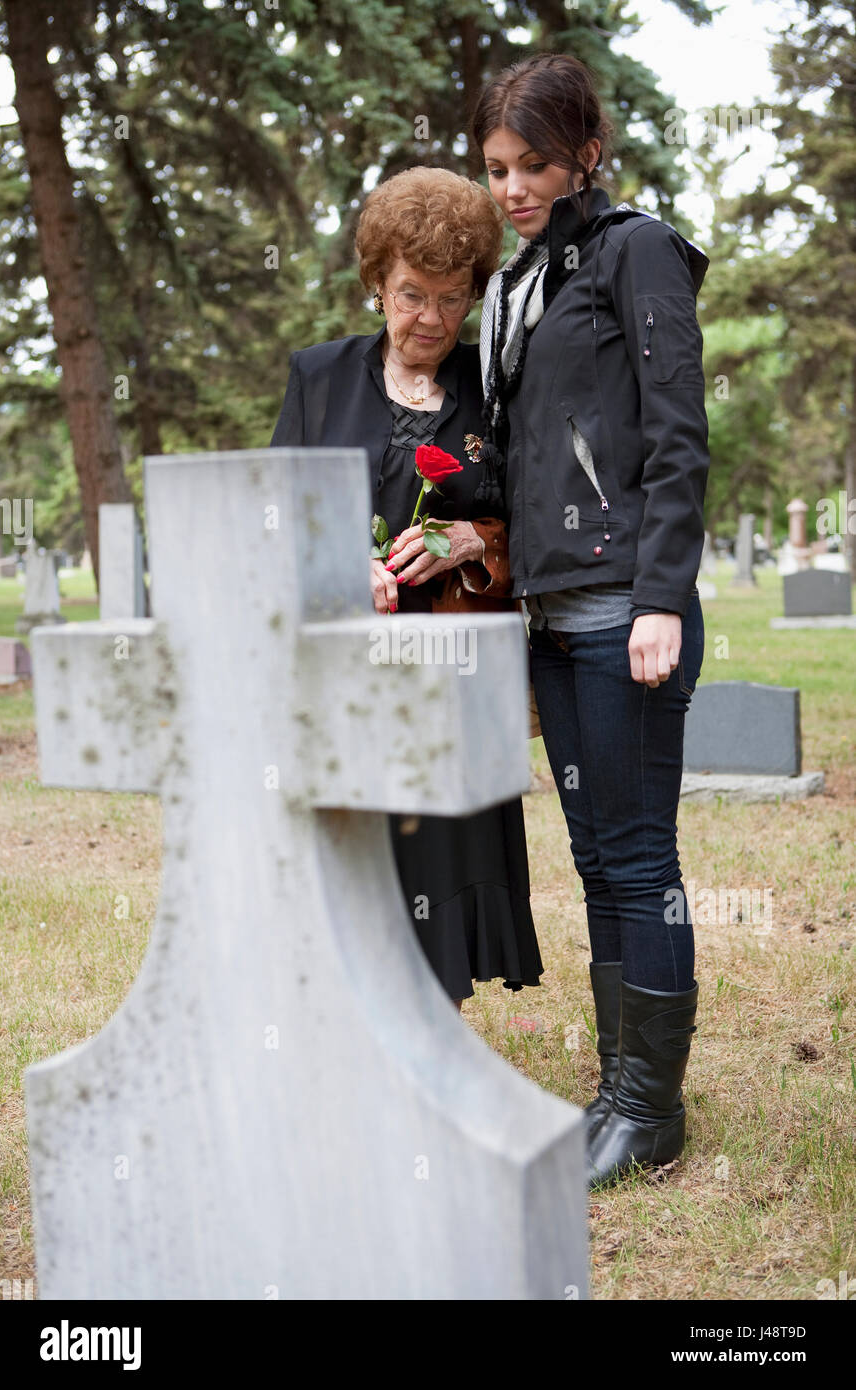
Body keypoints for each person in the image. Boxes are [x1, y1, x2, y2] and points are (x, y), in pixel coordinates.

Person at [473, 53, 709, 1185]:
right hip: (553, 619)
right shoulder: (524, 282)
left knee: (636, 853)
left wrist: (660, 597)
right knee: (591, 856)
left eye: (533, 164)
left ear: (586, 155)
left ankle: (649, 1113)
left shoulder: (636, 249)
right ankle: (620, 1088)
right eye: (497, 169)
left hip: (627, 611)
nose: (512, 187)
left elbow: (675, 434)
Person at [270, 166, 543, 1009]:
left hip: (449, 677)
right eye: (411, 295)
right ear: (376, 285)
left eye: (453, 299)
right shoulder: (318, 378)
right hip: (342, 672)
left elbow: (537, 515)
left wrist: (472, 537)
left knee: (438, 856)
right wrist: (332, 561)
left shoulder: (491, 387)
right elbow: (272, 512)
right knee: (351, 855)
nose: (431, 319)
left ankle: (434, 1027)